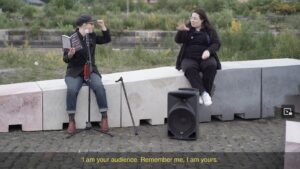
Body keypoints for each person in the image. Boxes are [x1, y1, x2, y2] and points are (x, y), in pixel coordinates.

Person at [63, 14, 111, 134]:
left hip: (90, 70)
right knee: (72, 90)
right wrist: (70, 54)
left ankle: (104, 117)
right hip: (74, 71)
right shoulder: (71, 39)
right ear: (84, 25)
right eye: (91, 23)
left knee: (99, 87)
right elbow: (65, 59)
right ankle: (71, 120)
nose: (93, 25)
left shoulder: (92, 36)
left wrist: (103, 27)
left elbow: (106, 39)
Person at [175, 8, 221, 106]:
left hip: (205, 57)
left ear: (202, 20)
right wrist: (181, 31)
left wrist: (208, 51)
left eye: (195, 18)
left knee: (211, 66)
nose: (192, 20)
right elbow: (178, 40)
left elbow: (216, 43)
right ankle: (204, 93)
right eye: (191, 18)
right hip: (189, 58)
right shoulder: (187, 28)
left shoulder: (210, 30)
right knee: (189, 68)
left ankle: (202, 93)